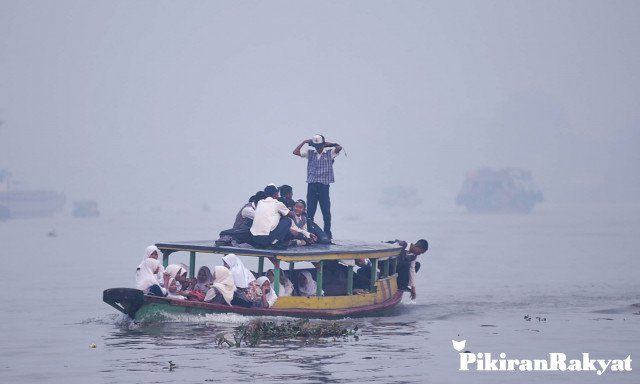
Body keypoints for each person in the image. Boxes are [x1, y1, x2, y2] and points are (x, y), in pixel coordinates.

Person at [293, 134, 342, 240]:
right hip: (312, 185)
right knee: (310, 211)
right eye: (316, 146)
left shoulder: (330, 153)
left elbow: (339, 147)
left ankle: (327, 233)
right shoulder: (310, 153)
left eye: (319, 145)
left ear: (323, 144)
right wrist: (304, 142)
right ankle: (310, 233)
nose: (318, 148)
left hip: (323, 186)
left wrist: (329, 144)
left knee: (326, 211)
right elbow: (295, 152)